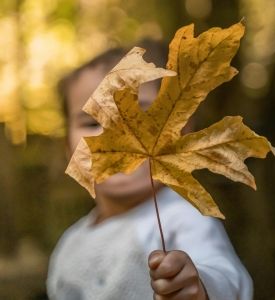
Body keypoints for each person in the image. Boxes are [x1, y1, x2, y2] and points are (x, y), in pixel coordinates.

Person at [47, 40, 253, 300]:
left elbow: (227, 276)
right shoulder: (70, 242)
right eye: (91, 123)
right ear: (68, 147)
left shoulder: (182, 218)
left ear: (180, 131)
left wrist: (198, 286)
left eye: (138, 116)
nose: (116, 134)